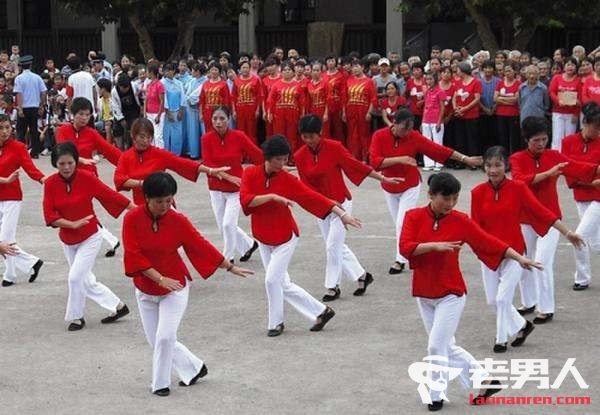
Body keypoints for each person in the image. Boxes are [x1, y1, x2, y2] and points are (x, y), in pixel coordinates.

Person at [400, 172, 541, 410]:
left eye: (455, 198)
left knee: (435, 346)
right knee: (446, 345)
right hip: (424, 294)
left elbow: (489, 242)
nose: (451, 203)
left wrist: (519, 258)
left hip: (451, 294)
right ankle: (486, 379)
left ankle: (435, 395)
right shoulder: (412, 216)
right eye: (446, 198)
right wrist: (434, 245)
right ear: (431, 195)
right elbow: (405, 248)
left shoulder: (460, 221)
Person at [123, 171, 252, 396]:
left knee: (165, 338)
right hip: (145, 288)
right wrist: (159, 279)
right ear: (146, 198)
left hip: (176, 289)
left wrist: (229, 266)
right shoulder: (131, 219)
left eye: (169, 200)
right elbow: (133, 255)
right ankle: (194, 368)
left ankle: (160, 385)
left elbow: (199, 244)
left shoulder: (178, 220)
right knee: (157, 343)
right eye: (159, 201)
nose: (165, 206)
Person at [240, 135, 361, 336]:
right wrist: (271, 197)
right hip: (262, 237)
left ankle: (275, 323)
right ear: (267, 158)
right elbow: (245, 200)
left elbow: (312, 196)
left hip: (285, 238)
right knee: (282, 283)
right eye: (278, 159)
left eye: (285, 158)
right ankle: (321, 311)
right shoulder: (250, 174)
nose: (283, 163)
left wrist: (341, 213)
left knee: (271, 280)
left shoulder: (288, 180)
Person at [471, 146, 583, 353]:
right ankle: (523, 326)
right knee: (492, 301)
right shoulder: (477, 192)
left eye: (498, 165)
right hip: (489, 254)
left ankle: (500, 339)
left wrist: (567, 233)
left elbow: (542, 213)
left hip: (514, 253)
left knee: (503, 298)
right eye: (488, 165)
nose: (493, 170)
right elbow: (474, 227)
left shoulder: (518, 188)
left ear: (506, 166)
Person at [295, 114, 402, 300]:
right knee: (335, 245)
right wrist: (320, 203)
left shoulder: (334, 148)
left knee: (331, 246)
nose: (308, 140)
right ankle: (362, 275)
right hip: (321, 207)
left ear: (320, 133)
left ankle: (332, 286)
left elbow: (355, 165)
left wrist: (383, 178)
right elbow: (305, 187)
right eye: (304, 137)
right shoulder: (300, 156)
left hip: (341, 203)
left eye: (311, 136)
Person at [510, 116, 600, 323]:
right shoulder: (517, 158)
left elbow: (578, 167)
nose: (541, 144)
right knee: (525, 260)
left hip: (550, 219)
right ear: (526, 140)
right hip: (525, 218)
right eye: (536, 140)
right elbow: (519, 181)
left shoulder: (553, 155)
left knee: (542, 261)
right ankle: (529, 301)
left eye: (544, 139)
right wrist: (548, 173)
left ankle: (546, 308)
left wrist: (596, 170)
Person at [369, 109, 482, 275]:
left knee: (402, 222)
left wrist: (465, 158)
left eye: (409, 129)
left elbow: (437, 149)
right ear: (394, 123)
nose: (406, 133)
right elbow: (374, 162)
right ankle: (416, 248)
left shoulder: (413, 136)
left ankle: (401, 259)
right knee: (399, 224)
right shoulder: (379, 136)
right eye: (403, 129)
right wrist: (400, 159)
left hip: (410, 185)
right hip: (389, 185)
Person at [43, 142, 133, 331]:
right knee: (85, 279)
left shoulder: (87, 178)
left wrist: (136, 209)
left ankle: (76, 317)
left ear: (76, 161)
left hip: (90, 237)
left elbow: (109, 195)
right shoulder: (50, 184)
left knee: (75, 278)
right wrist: (72, 224)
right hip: (67, 240)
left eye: (70, 163)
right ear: (55, 164)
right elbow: (49, 216)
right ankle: (118, 306)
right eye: (61, 164)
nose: (67, 167)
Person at [56, 97, 122, 257]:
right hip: (69, 179)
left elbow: (110, 151)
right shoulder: (63, 131)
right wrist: (80, 159)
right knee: (81, 213)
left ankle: (108, 239)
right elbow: (62, 152)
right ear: (73, 114)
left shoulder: (92, 133)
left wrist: (130, 163)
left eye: (87, 114)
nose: (84, 118)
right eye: (81, 114)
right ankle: (111, 240)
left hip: (88, 179)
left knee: (84, 211)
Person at [114, 118, 226, 205]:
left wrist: (210, 170)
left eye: (149, 137)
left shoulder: (159, 154)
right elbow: (119, 180)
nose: (146, 141)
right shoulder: (126, 157)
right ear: (133, 136)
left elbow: (182, 163)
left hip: (165, 205)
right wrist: (142, 183)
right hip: (141, 206)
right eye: (142, 137)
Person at [201, 107, 262, 263]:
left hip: (236, 189)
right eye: (215, 118)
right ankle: (249, 244)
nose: (218, 122)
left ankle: (228, 258)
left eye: (222, 118)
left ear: (229, 119)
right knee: (223, 226)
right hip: (215, 188)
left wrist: (275, 165)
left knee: (228, 224)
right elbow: (208, 165)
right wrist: (228, 177)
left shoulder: (239, 136)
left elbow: (257, 155)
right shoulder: (206, 139)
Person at [0, 114, 45, 286]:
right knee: (3, 241)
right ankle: (33, 263)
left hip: (12, 199)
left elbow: (30, 168)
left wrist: (44, 180)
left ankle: (9, 275)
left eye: (7, 127)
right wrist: (4, 180)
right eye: (1, 128)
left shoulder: (18, 147)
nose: (5, 131)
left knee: (5, 239)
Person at [561, 102, 600, 290]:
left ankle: (582, 278)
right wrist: (589, 181)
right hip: (581, 195)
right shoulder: (568, 142)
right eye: (596, 127)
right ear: (585, 123)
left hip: (598, 198)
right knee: (596, 242)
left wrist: (586, 180)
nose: (598, 131)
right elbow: (567, 174)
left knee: (579, 236)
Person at [266, 60, 306, 158]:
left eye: (289, 70)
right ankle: (279, 157)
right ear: (281, 72)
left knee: (292, 137)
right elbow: (271, 100)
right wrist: (269, 113)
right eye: (284, 70)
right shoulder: (276, 85)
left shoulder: (298, 85)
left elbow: (302, 102)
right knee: (279, 136)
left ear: (293, 72)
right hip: (279, 114)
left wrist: (302, 115)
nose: (287, 72)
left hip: (293, 114)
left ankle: (291, 157)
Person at [343, 58, 377, 162]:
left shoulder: (369, 81)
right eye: (353, 67)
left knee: (364, 135)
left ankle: (365, 158)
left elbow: (373, 98)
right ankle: (353, 157)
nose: (355, 69)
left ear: (362, 68)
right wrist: (344, 112)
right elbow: (345, 98)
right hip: (351, 110)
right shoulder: (349, 80)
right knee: (352, 135)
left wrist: (369, 112)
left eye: (357, 67)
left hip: (363, 110)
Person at [14, 55, 47, 159]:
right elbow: (44, 92)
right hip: (34, 107)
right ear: (31, 65)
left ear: (21, 67)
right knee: (34, 130)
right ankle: (35, 153)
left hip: (24, 107)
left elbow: (18, 93)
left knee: (21, 131)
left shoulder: (19, 78)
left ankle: (21, 153)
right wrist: (41, 105)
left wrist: (19, 108)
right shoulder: (37, 77)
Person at [548, 57, 581, 151]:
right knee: (557, 138)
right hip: (558, 113)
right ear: (564, 66)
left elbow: (580, 99)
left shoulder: (578, 80)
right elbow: (551, 92)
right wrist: (558, 101)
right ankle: (555, 158)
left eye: (573, 65)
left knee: (569, 138)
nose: (570, 67)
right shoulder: (556, 78)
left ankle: (568, 159)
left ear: (576, 67)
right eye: (568, 64)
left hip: (571, 114)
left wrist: (576, 113)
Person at [452, 62, 482, 160]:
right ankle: (462, 160)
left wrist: (465, 108)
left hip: (471, 115)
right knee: (460, 138)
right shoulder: (458, 82)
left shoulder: (476, 82)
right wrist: (455, 108)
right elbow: (454, 97)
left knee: (472, 138)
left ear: (463, 71)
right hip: (459, 114)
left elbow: (477, 99)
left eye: (458, 70)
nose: (457, 72)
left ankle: (473, 160)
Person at [493, 61, 521, 154]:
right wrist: (508, 99)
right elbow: (495, 98)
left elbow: (515, 100)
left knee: (514, 138)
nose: (507, 73)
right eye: (506, 71)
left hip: (513, 114)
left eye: (509, 71)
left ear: (514, 71)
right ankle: (504, 157)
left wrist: (502, 98)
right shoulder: (500, 83)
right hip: (501, 114)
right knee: (502, 137)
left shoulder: (518, 83)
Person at [232, 61, 263, 143]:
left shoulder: (256, 80)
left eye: (247, 67)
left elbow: (259, 96)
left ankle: (252, 153)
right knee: (241, 131)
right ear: (240, 69)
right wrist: (234, 110)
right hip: (240, 110)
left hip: (252, 110)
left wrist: (257, 110)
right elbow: (234, 97)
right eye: (243, 67)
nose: (245, 69)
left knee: (251, 131)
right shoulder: (236, 80)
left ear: (250, 69)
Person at [421, 72, 446, 171]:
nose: (428, 81)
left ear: (435, 79)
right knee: (426, 142)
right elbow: (425, 106)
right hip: (426, 120)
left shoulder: (440, 91)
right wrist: (422, 121)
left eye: (430, 79)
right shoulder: (427, 91)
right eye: (427, 79)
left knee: (437, 142)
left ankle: (439, 163)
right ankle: (428, 163)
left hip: (436, 120)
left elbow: (442, 108)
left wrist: (439, 121)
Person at [160, 64, 186, 156]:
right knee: (165, 135)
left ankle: (176, 155)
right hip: (166, 113)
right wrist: (168, 112)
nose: (170, 72)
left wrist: (181, 110)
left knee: (177, 135)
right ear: (164, 72)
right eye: (167, 70)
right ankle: (166, 155)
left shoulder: (178, 83)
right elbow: (164, 99)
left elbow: (183, 97)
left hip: (178, 111)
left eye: (171, 70)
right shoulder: (162, 83)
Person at [199, 62, 231, 134]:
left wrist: (226, 113)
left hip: (219, 113)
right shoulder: (205, 84)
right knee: (208, 132)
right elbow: (202, 100)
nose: (213, 72)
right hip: (207, 112)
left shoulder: (223, 84)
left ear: (219, 72)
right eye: (212, 70)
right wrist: (201, 114)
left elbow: (226, 100)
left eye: (216, 70)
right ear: (209, 71)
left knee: (219, 131)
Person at [143, 63, 166, 149]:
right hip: (149, 113)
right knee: (150, 135)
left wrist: (159, 115)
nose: (146, 74)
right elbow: (146, 99)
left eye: (147, 72)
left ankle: (161, 154)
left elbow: (162, 101)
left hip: (157, 113)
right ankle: (152, 153)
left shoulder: (159, 85)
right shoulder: (149, 85)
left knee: (158, 135)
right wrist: (144, 112)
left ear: (152, 72)